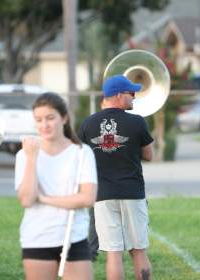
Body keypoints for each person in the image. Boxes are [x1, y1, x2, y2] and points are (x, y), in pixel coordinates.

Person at [15, 92, 97, 280]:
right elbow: (27, 199)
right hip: (37, 238)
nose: (44, 125)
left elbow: (87, 198)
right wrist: (32, 158)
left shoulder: (82, 152)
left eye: (50, 118)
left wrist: (44, 198)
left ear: (64, 118)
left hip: (73, 237)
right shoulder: (24, 155)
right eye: (39, 120)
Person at [79, 75, 154, 280]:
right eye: (131, 93)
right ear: (119, 95)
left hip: (102, 195)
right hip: (132, 193)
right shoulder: (137, 122)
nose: (134, 97)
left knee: (114, 253)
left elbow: (82, 158)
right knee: (138, 251)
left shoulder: (88, 124)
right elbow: (149, 155)